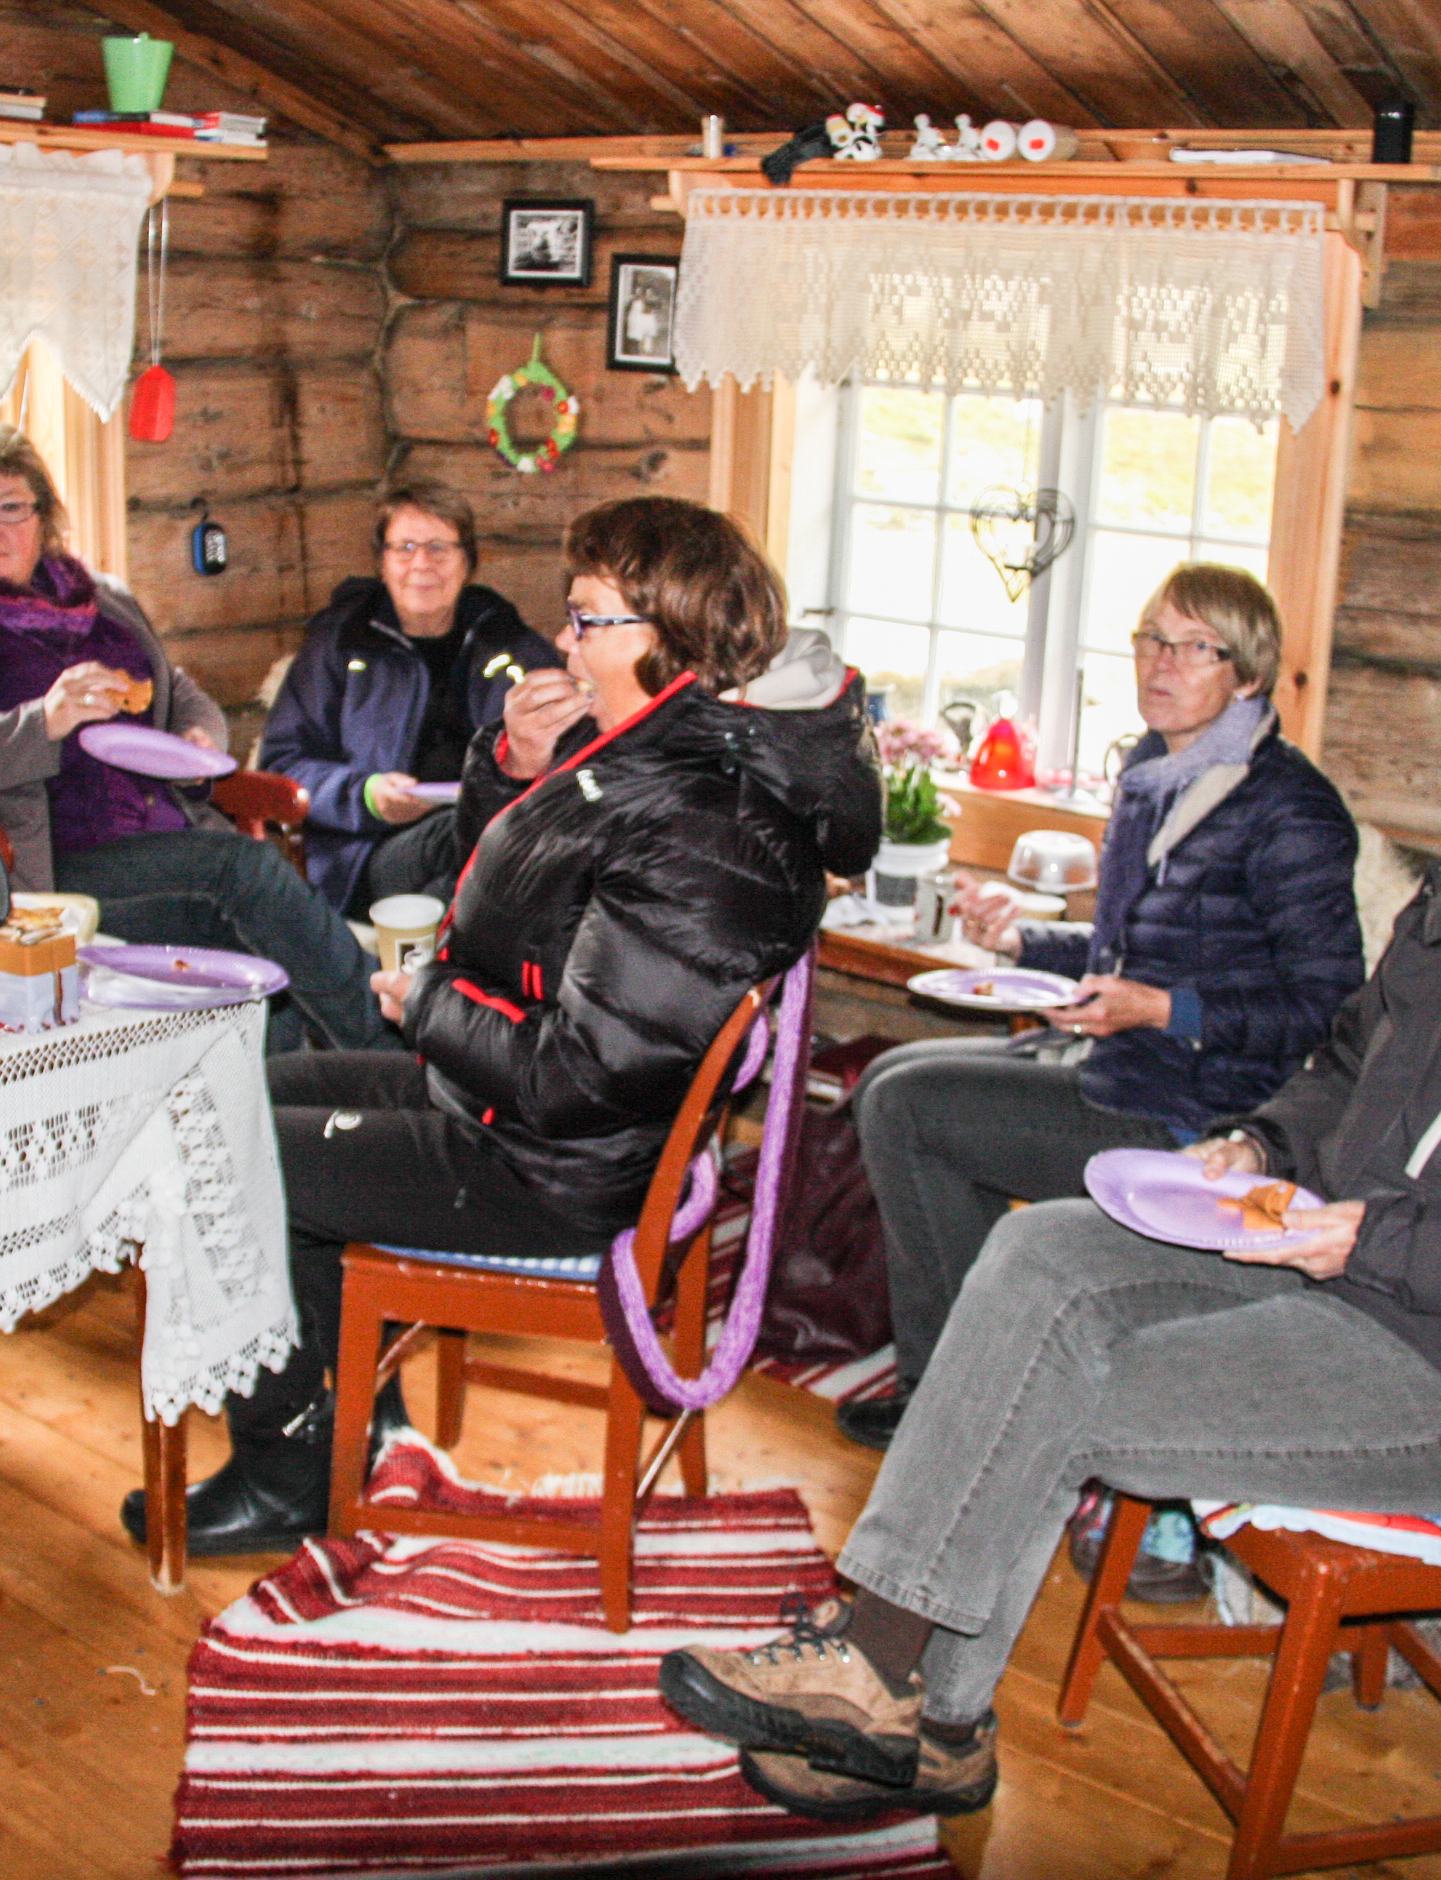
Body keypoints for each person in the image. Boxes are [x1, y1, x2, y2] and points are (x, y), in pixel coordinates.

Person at [658, 564, 1441, 1822]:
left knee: (1054, 1379)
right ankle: (913, 1701)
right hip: (1330, 1256)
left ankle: (896, 1679)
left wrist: (1378, 1236)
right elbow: (1347, 1057)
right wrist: (1262, 1143)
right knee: (1042, 1258)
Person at [123, 495, 882, 1555]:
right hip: (509, 1112)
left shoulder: (704, 822)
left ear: (658, 634)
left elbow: (578, 1071)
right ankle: (355, 1416)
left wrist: (423, 1000)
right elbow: (518, 897)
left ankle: (290, 1468)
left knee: (224, 1151)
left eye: (585, 619)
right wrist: (513, 772)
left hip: (547, 1165)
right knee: (233, 1100)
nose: (564, 642)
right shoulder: (654, 756)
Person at [837, 564, 1363, 1454]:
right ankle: (979, 1364)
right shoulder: (1158, 770)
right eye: (1151, 639)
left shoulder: (1290, 810)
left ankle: (952, 1396)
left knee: (904, 1106)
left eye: (1194, 648)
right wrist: (1021, 942)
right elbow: (1121, 953)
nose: (1161, 663)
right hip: (1120, 1065)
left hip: (1202, 1117)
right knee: (889, 1071)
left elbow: (1326, 1006)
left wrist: (1164, 1011)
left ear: (1248, 674)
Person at [0, 424, 385, 1050]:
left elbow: (176, 689)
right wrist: (41, 724)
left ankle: (311, 1107)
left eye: (9, 508)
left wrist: (199, 737)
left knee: (264, 956)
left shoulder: (98, 597)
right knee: (249, 875)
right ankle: (391, 1056)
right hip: (41, 863)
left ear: (44, 520)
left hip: (164, 840)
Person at [259, 484, 564, 914]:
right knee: (474, 838)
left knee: (457, 889)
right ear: (382, 563)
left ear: (468, 562)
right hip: (367, 852)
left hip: (483, 853)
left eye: (439, 548)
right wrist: (366, 795)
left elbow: (568, 751)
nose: (422, 563)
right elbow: (280, 768)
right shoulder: (341, 644)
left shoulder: (510, 644)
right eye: (404, 548)